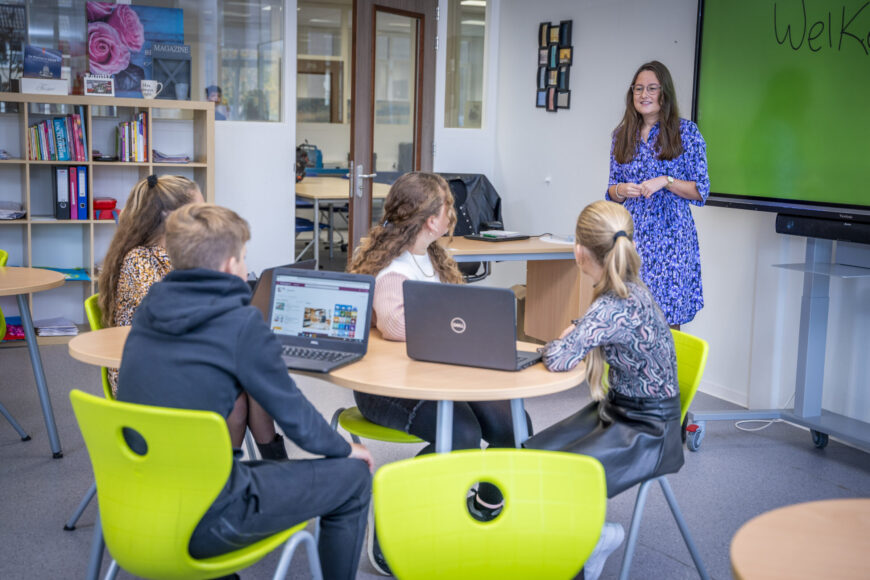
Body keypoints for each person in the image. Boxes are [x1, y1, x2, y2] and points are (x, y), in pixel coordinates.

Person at [117, 203, 374, 579]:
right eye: (243, 260)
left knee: (241, 465)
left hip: (140, 504)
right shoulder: (239, 325)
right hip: (207, 518)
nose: (245, 270)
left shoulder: (149, 311)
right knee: (353, 479)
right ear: (226, 266)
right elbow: (298, 419)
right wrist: (348, 449)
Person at [349, 171, 531, 574]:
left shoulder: (432, 257)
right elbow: (397, 326)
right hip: (388, 390)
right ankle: (393, 512)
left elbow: (453, 323)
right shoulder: (393, 269)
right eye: (448, 206)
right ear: (432, 219)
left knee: (512, 424)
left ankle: (485, 504)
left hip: (440, 380)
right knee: (463, 435)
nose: (453, 213)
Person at [525, 200, 685, 580]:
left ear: (579, 252)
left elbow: (561, 358)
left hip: (651, 430)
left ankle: (582, 548)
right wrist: (578, 330)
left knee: (560, 482)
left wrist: (569, 335)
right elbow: (593, 332)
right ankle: (588, 538)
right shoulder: (628, 290)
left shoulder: (612, 307)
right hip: (620, 409)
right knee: (531, 458)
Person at [97, 175, 285, 460]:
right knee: (238, 395)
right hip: (148, 373)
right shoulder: (139, 260)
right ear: (171, 216)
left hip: (186, 356)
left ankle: (267, 469)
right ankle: (223, 478)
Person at [606, 60, 710, 329]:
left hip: (671, 241)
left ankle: (664, 372)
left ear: (664, 94)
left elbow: (700, 190)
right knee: (628, 318)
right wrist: (621, 190)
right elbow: (611, 190)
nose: (644, 95)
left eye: (652, 88)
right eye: (638, 89)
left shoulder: (687, 133)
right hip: (632, 239)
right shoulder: (621, 135)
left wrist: (666, 181)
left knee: (665, 321)